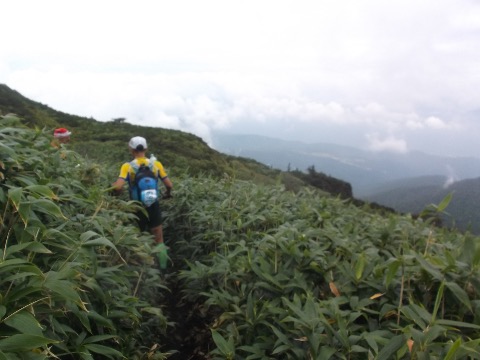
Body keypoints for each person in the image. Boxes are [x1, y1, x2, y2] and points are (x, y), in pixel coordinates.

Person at [111, 136, 173, 268]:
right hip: (154, 205)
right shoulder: (156, 164)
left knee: (137, 239)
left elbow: (118, 187)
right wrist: (167, 194)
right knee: (159, 239)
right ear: (146, 148)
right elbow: (169, 185)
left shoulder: (127, 167)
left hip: (136, 207)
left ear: (131, 149)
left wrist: (115, 193)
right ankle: (162, 270)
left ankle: (140, 269)